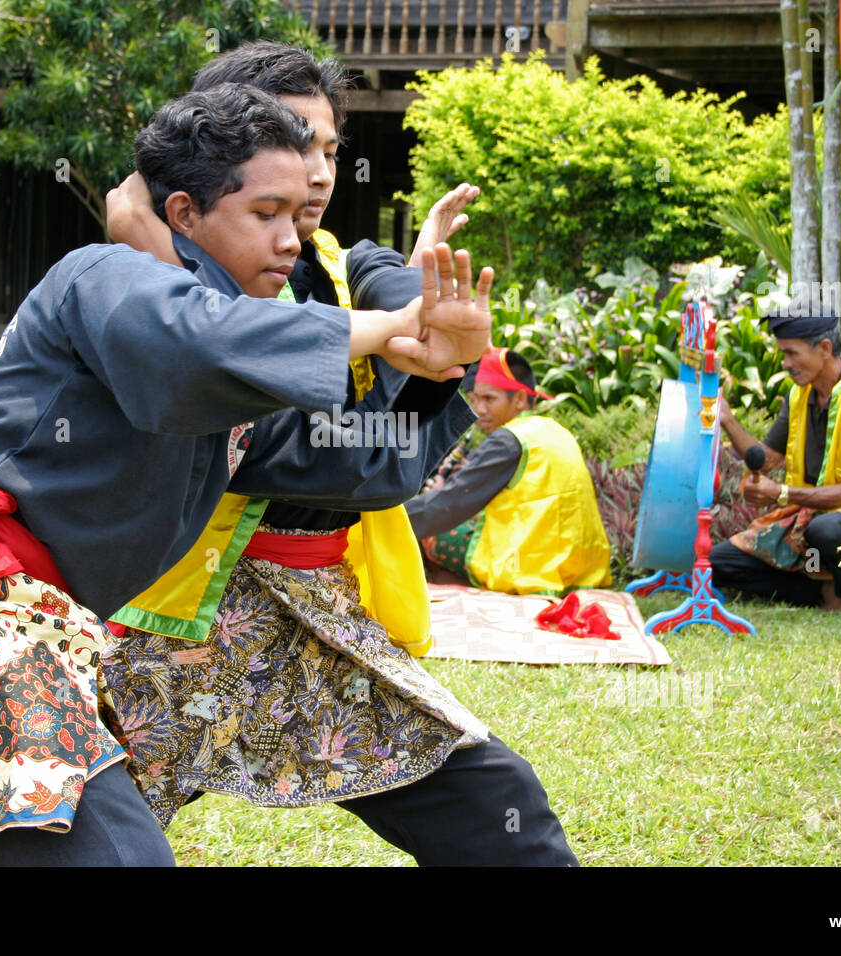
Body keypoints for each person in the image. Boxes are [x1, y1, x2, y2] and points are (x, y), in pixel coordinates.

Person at [0, 84, 494, 865]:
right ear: (182, 213)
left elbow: (357, 463)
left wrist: (441, 365)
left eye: (295, 215)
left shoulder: (232, 371)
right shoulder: (102, 277)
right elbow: (196, 336)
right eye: (264, 214)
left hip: (33, 627)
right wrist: (387, 327)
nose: (289, 240)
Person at [98, 44, 578, 865]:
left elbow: (398, 296)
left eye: (326, 149)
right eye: (291, 148)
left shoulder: (336, 264)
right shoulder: (155, 295)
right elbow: (347, 462)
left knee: (490, 800)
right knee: (66, 825)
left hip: (313, 616)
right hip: (162, 625)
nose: (317, 174)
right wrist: (424, 369)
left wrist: (433, 346)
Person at [710, 312, 841, 610]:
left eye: (791, 353)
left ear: (825, 349)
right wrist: (726, 418)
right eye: (783, 353)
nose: (785, 363)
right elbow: (767, 461)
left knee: (828, 530)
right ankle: (817, 589)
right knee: (718, 563)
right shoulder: (799, 395)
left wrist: (781, 494)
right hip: (806, 521)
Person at [406, 347, 613, 595]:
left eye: (489, 399)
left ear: (520, 400)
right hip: (578, 567)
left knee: (434, 532)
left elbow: (448, 504)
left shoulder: (509, 440)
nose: (478, 409)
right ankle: (455, 584)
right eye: (474, 399)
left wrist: (386, 520)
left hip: (533, 564)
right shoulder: (551, 429)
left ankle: (448, 587)